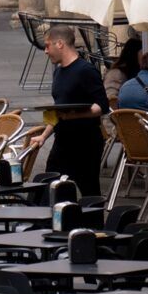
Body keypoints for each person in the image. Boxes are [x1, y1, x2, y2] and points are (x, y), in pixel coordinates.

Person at [30, 25, 109, 196]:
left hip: (85, 142)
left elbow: (102, 106)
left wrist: (75, 115)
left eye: (47, 45)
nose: (45, 51)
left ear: (60, 44)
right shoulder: (58, 72)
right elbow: (57, 110)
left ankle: (93, 222)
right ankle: (57, 220)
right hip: (62, 141)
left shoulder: (85, 70)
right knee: (49, 186)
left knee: (89, 190)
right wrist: (44, 136)